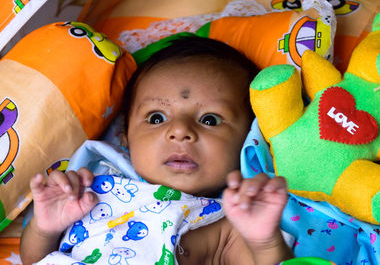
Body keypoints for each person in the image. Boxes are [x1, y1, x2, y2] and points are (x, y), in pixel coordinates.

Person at [20, 36, 292, 264]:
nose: (180, 131)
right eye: (156, 118)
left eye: (210, 120)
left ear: (248, 138)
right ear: (125, 135)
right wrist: (45, 228)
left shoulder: (225, 226)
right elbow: (35, 260)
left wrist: (264, 241)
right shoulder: (89, 191)